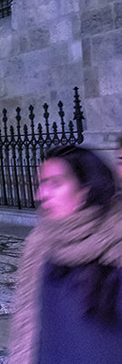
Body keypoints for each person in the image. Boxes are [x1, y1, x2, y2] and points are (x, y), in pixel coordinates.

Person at [9, 145, 122, 364]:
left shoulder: (116, 243)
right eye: (41, 185)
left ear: (85, 190)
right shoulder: (40, 245)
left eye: (55, 183)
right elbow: (28, 324)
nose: (41, 195)